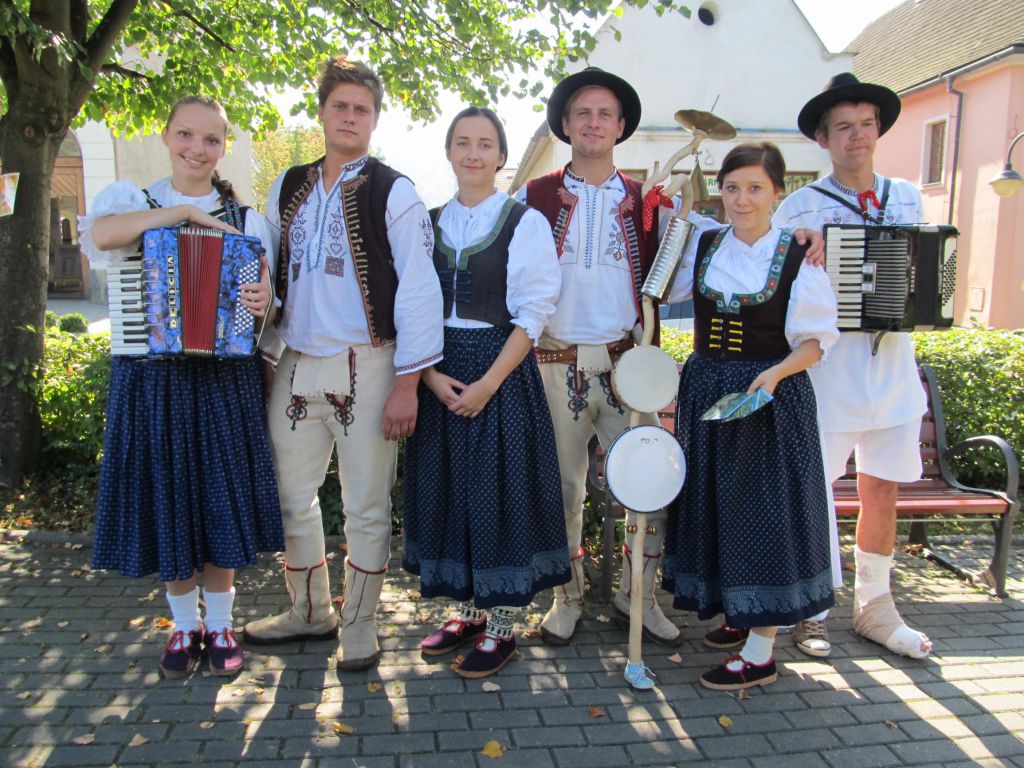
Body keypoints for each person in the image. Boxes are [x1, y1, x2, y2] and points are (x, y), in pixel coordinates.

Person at [242, 55, 444, 671]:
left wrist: (407, 384)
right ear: (322, 112)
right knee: (288, 495)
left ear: (374, 119)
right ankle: (309, 611)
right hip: (299, 358)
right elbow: (264, 266)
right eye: (340, 106)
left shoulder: (395, 190)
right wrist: (263, 324)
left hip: (372, 362)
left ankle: (359, 625)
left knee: (366, 505)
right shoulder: (287, 185)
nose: (350, 117)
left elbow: (419, 290)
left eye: (362, 108)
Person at [80, 95, 282, 678]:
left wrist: (263, 302)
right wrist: (182, 213)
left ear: (223, 148)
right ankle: (183, 626)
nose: (198, 148)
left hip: (224, 377)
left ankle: (220, 625)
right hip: (152, 376)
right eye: (186, 135)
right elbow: (103, 236)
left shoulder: (248, 221)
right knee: (170, 498)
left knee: (219, 498)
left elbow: (270, 312)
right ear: (168, 136)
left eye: (211, 139)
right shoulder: (134, 201)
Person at [514, 68, 688, 647]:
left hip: (627, 365)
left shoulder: (648, 201)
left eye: (604, 114)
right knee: (562, 490)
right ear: (565, 125)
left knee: (649, 482)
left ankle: (638, 597)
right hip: (552, 362)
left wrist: (797, 240)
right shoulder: (531, 198)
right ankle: (567, 597)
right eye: (583, 113)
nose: (594, 122)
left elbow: (705, 251)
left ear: (620, 126)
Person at [661, 141, 839, 690]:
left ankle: (761, 651)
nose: (742, 199)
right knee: (719, 507)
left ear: (777, 193)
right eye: (732, 187)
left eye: (755, 188)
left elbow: (816, 341)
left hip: (769, 399)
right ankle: (739, 615)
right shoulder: (706, 243)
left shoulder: (797, 255)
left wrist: (776, 374)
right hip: (708, 391)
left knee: (764, 515)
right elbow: (660, 261)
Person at [401, 107, 570, 678]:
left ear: (501, 156)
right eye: (463, 143)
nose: (473, 154)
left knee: (499, 492)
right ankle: (470, 610)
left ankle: (502, 624)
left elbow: (534, 313)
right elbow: (411, 307)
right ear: (449, 152)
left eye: (485, 144)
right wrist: (428, 376)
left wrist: (489, 384)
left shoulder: (524, 222)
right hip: (440, 368)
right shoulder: (426, 223)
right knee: (452, 490)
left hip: (500, 369)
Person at [773, 73, 933, 660]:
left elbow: (922, 270)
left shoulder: (907, 196)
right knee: (814, 492)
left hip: (893, 367)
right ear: (823, 138)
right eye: (843, 127)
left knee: (882, 487)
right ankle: (811, 609)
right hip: (828, 373)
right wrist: (797, 251)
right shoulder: (798, 206)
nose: (857, 136)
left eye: (866, 124)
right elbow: (777, 289)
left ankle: (875, 608)